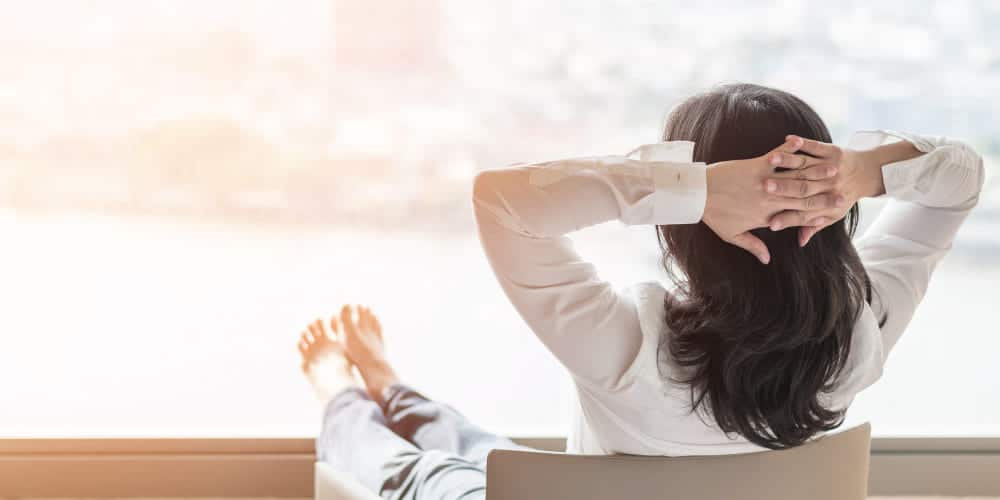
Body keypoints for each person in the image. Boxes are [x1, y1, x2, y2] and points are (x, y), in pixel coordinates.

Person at [298, 83, 986, 499]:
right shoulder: (860, 341)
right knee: (484, 450)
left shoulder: (628, 351)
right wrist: (863, 172)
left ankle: (343, 392)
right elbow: (962, 181)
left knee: (417, 474)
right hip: (565, 489)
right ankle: (395, 389)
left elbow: (500, 201)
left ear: (690, 226)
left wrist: (696, 190)